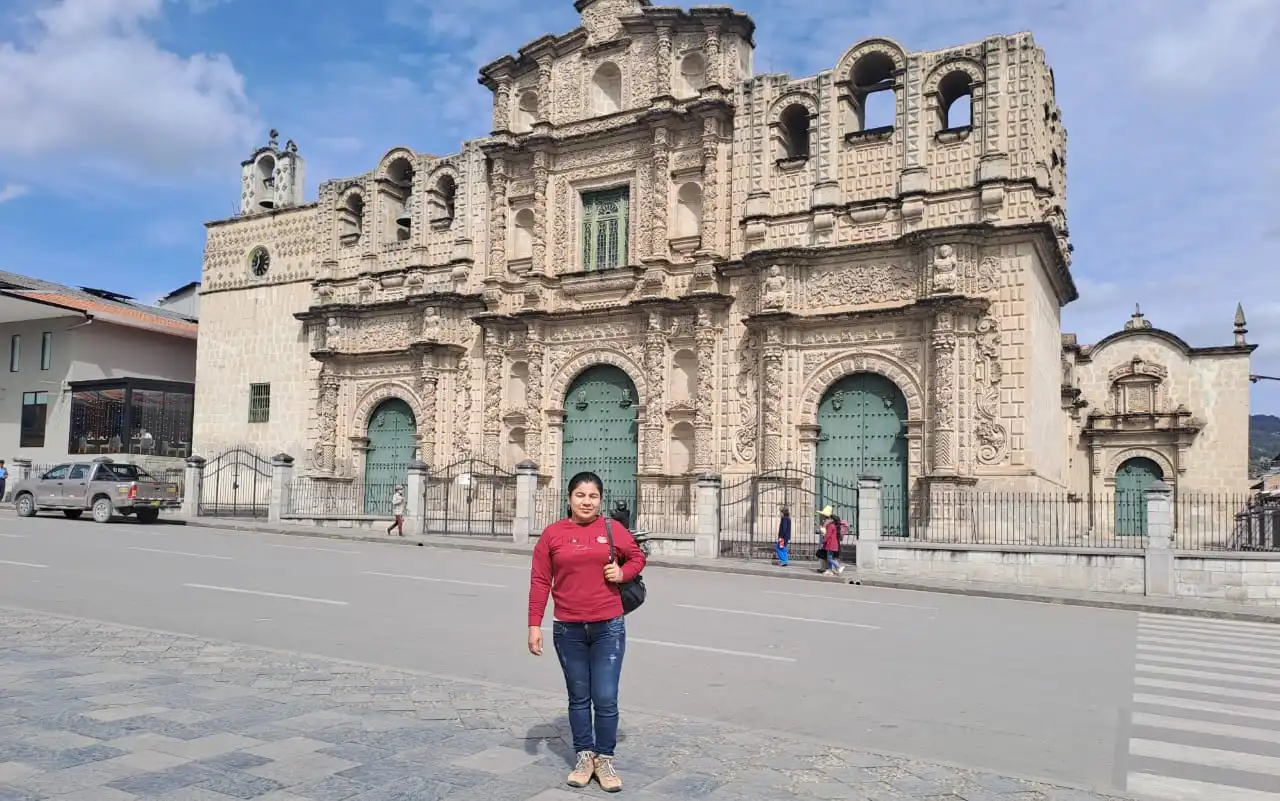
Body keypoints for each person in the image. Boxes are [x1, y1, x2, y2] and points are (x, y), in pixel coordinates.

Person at [528, 471, 646, 793]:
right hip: (568, 629)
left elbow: (637, 557)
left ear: (600, 500)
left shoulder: (613, 529)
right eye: (581, 495)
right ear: (569, 498)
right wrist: (534, 624)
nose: (587, 501)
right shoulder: (553, 535)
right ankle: (584, 756)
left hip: (608, 625)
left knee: (605, 697)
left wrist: (622, 573)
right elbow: (540, 581)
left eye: (593, 496)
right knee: (579, 698)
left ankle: (604, 758)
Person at [818, 505, 845, 576]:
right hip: (831, 544)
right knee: (829, 557)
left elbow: (827, 535)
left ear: (829, 519)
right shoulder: (832, 525)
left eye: (827, 519)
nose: (825, 520)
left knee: (829, 558)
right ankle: (830, 570)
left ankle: (839, 566)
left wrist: (823, 541)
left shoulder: (831, 526)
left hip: (830, 544)